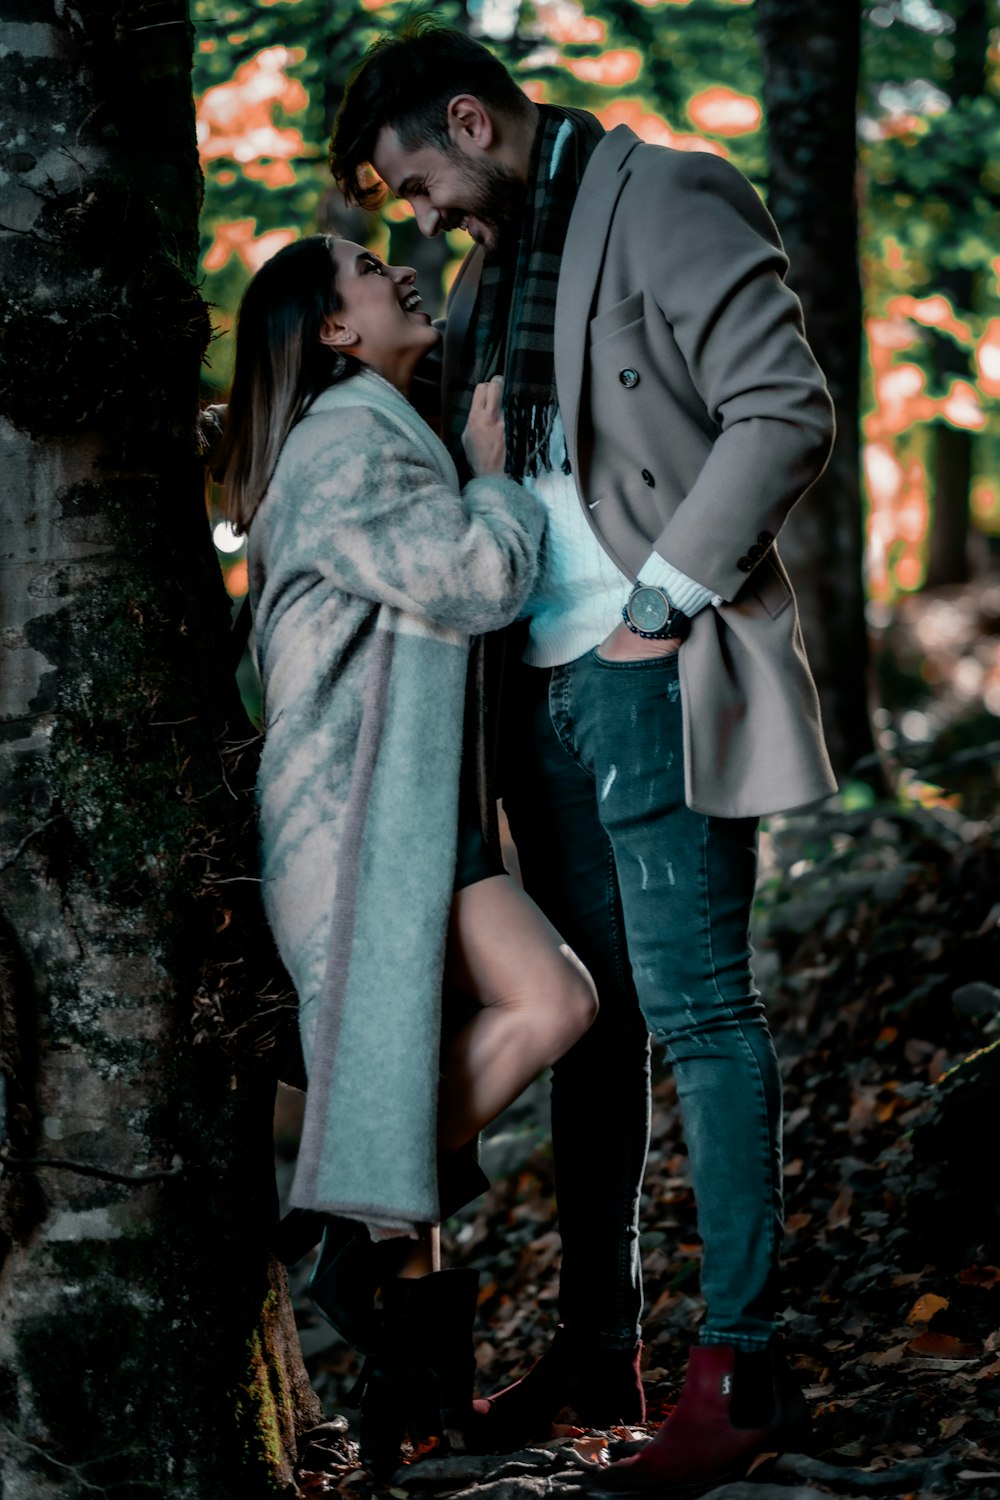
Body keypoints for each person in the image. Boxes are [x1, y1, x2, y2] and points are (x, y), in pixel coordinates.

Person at [328, 19, 838, 1494]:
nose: (415, 220)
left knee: (700, 1013)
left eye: (415, 183)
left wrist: (656, 611)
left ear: (475, 121)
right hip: (537, 693)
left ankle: (740, 1368)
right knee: (596, 1031)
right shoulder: (493, 280)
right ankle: (595, 1352)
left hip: (652, 674)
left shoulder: (666, 197)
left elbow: (782, 408)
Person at [215, 233, 598, 1476]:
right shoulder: (341, 443)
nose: (396, 273)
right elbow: (476, 578)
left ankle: (363, 1262)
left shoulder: (371, 429)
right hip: (347, 820)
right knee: (533, 1014)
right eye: (369, 268)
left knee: (548, 1005)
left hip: (409, 816)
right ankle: (414, 1414)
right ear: (332, 331)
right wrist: (493, 478)